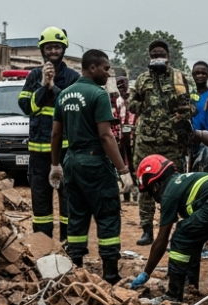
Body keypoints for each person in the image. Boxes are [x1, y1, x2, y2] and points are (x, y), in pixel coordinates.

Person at [49, 50, 133, 284]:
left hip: (72, 162)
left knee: (77, 215)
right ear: (92, 67)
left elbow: (56, 133)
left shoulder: (64, 95)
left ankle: (76, 270)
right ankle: (110, 273)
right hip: (95, 161)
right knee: (106, 215)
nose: (108, 74)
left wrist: (55, 165)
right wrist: (123, 170)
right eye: (105, 69)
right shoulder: (98, 95)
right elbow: (106, 136)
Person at [129, 155, 208, 300]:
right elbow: (197, 236)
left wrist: (146, 273)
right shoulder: (184, 181)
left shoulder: (170, 192)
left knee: (181, 234)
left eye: (150, 191)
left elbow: (162, 240)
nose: (153, 197)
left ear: (155, 184)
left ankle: (173, 295)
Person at [130, 40, 196, 246]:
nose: (158, 57)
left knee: (174, 186)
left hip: (171, 141)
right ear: (149, 57)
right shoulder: (141, 79)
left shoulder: (179, 78)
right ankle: (147, 230)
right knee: (145, 187)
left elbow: (192, 106)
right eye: (154, 54)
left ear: (168, 56)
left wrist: (185, 110)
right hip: (146, 142)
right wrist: (142, 104)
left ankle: (172, 230)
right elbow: (131, 104)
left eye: (162, 54)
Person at [18, 27, 80, 241]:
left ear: (63, 48)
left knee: (68, 201)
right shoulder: (34, 76)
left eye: (57, 47)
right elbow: (26, 106)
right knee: (41, 202)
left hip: (65, 151)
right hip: (38, 153)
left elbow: (71, 108)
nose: (53, 51)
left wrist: (53, 88)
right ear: (42, 50)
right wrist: (43, 86)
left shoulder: (73, 77)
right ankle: (43, 246)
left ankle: (68, 245)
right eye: (49, 47)